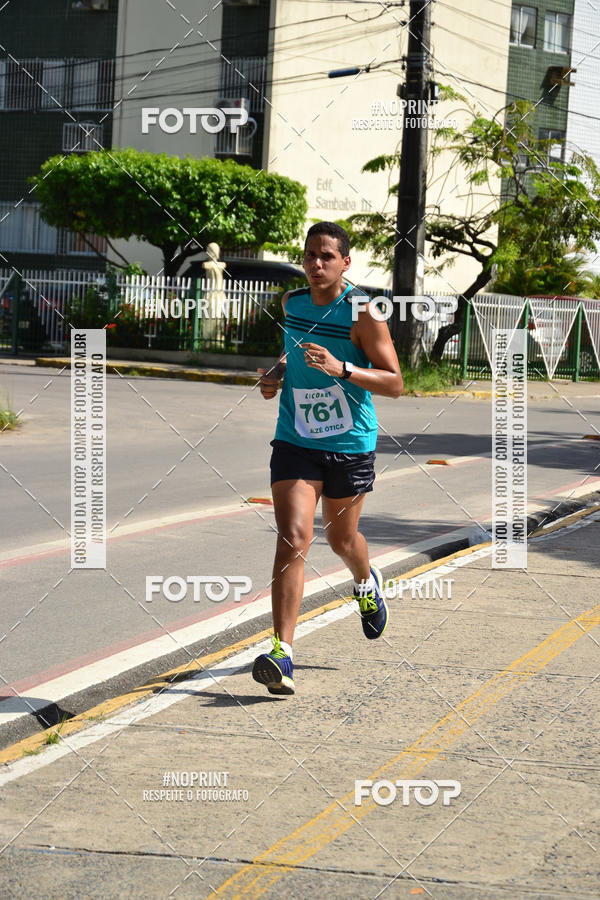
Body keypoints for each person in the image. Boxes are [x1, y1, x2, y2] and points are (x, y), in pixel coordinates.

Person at [253, 222, 403, 695]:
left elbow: (395, 382)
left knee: (342, 539)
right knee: (293, 539)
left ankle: (365, 580)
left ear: (345, 262)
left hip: (349, 444)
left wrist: (342, 368)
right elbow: (291, 350)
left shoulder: (365, 312)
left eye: (327, 256)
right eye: (310, 255)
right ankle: (283, 653)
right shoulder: (292, 303)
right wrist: (276, 373)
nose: (316, 264)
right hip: (296, 438)